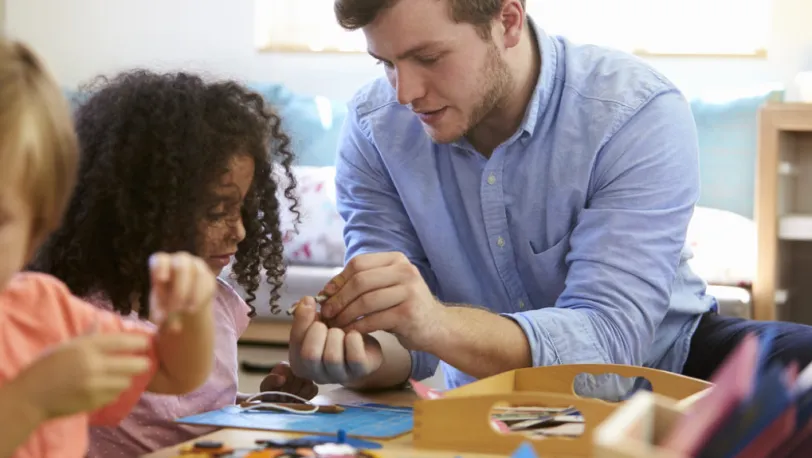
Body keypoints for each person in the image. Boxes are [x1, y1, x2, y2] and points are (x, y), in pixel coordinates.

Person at [286, 0, 812, 398]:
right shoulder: (373, 129)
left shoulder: (632, 110)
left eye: (428, 57)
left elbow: (609, 351)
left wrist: (435, 323)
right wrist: (354, 354)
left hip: (667, 363)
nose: (405, 92)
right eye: (385, 63)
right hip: (483, 393)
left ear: (508, 21)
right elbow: (406, 345)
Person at [29, 70, 318, 456]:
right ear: (141, 210)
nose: (240, 233)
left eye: (244, 210)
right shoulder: (81, 320)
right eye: (217, 212)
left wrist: (264, 405)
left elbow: (195, 418)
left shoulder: (216, 303)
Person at [0, 38, 216, 458]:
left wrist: (190, 314)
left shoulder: (43, 311)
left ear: (36, 229)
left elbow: (174, 373)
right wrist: (28, 402)